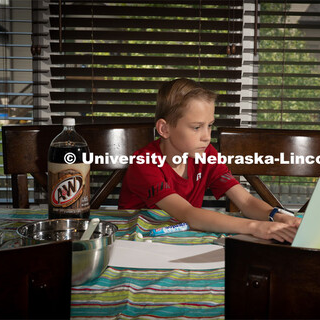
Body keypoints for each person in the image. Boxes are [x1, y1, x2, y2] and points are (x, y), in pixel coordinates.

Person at [118, 78, 301, 242]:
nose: (207, 137)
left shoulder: (206, 154)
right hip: (136, 244)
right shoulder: (144, 163)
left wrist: (276, 216)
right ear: (164, 129)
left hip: (181, 241)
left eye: (210, 126)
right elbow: (187, 213)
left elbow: (244, 201)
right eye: (197, 127)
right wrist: (255, 227)